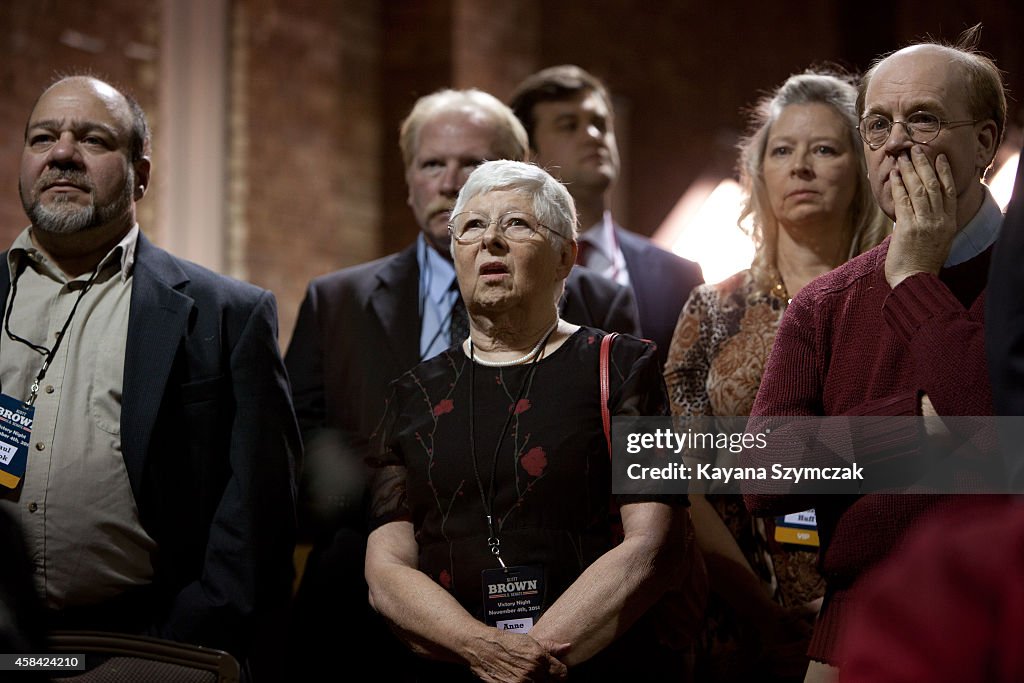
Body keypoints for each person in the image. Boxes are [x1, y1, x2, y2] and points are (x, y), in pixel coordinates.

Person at [285, 88, 640, 679]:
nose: (450, 182)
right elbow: (299, 449)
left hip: (560, 606)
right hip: (365, 602)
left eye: (471, 165)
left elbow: (649, 479)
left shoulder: (607, 310)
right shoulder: (337, 301)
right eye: (432, 164)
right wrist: (399, 502)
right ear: (408, 179)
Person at [0, 76, 299, 676]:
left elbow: (259, 504)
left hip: (145, 647)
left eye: (92, 139)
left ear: (141, 174)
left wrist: (187, 640)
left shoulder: (227, 314)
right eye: (43, 138)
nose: (62, 153)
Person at [741, 25, 1006, 681]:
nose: (895, 144)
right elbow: (763, 472)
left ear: (985, 144)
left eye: (922, 119)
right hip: (856, 625)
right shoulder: (826, 303)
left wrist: (916, 279)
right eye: (877, 125)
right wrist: (911, 427)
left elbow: (996, 437)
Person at [364, 159, 697, 682]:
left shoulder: (625, 365)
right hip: (457, 665)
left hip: (591, 666)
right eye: (472, 226)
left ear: (566, 256)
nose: (489, 241)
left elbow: (654, 542)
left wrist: (530, 660)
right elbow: (386, 569)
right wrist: (482, 649)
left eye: (516, 224)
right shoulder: (414, 393)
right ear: (455, 252)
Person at [664, 70, 890, 682]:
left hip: (887, 602)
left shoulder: (904, 297)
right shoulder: (712, 309)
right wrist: (763, 612)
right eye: (783, 151)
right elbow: (681, 480)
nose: (801, 167)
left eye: (824, 149)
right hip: (740, 610)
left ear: (862, 167)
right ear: (759, 172)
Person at [509, 65, 704, 369]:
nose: (592, 135)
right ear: (529, 153)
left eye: (600, 124)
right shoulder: (504, 268)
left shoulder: (678, 277)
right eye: (568, 125)